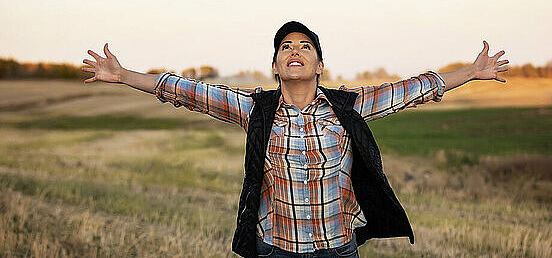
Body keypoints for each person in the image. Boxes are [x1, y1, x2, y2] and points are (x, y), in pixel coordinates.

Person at [82, 21, 508, 258]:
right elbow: (184, 90)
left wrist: (469, 73)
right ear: (275, 65)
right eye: (286, 46)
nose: (295, 51)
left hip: (336, 249)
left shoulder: (348, 106)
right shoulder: (256, 109)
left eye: (305, 46)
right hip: (276, 249)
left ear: (319, 64)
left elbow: (416, 88)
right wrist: (123, 76)